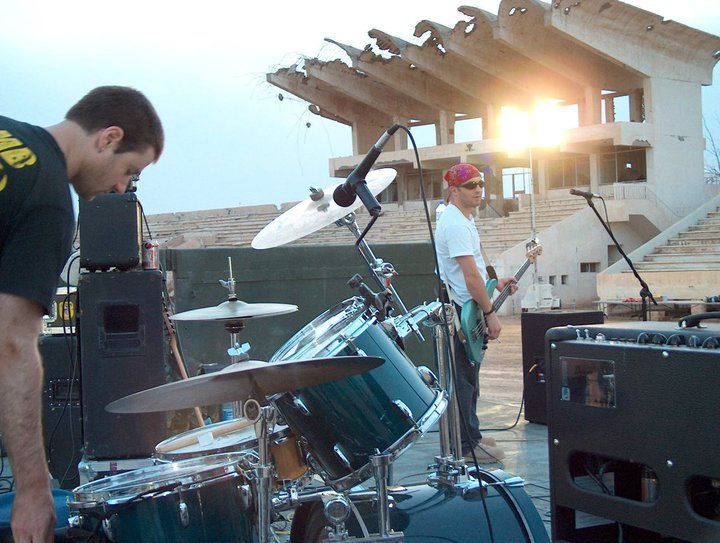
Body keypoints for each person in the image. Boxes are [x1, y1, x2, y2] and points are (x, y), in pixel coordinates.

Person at [0, 86, 163, 542]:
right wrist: (33, 491)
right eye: (129, 171)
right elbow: (11, 343)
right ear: (108, 138)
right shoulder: (47, 197)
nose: (121, 188)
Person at [435, 163, 517, 464]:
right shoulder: (455, 224)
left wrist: (496, 283)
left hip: (466, 304)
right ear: (454, 191)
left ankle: (472, 436)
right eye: (471, 185)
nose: (479, 190)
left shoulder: (463, 219)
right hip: (461, 309)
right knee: (463, 379)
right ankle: (466, 446)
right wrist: (490, 312)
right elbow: (469, 278)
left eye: (481, 184)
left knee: (470, 377)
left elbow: (475, 272)